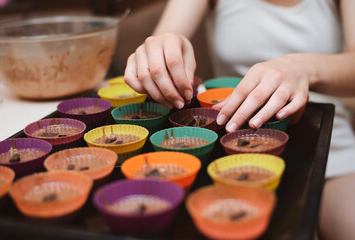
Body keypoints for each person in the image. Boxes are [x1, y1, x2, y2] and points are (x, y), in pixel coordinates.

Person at [124, 0, 355, 239]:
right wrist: (162, 48)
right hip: (231, 143)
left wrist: (303, 66)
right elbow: (168, 34)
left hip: (328, 145)